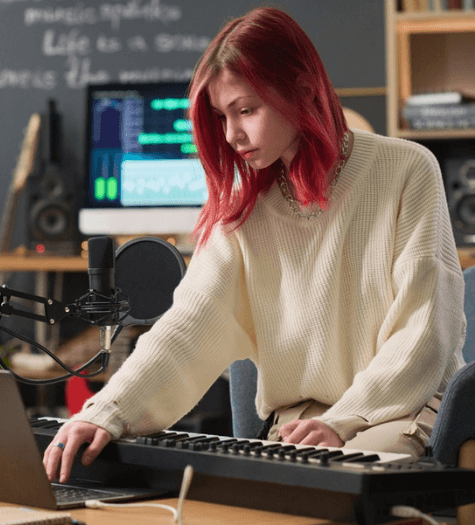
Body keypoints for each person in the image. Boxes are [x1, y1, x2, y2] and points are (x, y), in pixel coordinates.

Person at [43, 6, 466, 484]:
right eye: (222, 116)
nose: (231, 134)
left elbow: (425, 333)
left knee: (334, 493)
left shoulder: (407, 169)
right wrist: (105, 412)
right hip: (299, 424)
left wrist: (341, 421)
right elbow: (185, 330)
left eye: (246, 110)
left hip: (396, 409)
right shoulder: (242, 210)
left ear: (304, 90)